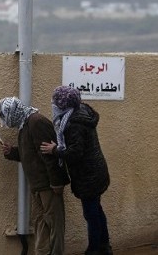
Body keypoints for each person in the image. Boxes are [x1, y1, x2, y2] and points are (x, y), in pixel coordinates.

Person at [40, 86, 112, 255]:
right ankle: (104, 246)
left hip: (89, 176)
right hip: (96, 172)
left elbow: (75, 153)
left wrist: (55, 150)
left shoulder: (73, 124)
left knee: (91, 214)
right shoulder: (81, 112)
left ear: (63, 105)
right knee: (96, 210)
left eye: (55, 101)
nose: (52, 104)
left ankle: (95, 249)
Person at [0, 97, 70, 255]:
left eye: (6, 116)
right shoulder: (25, 125)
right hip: (37, 185)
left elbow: (50, 156)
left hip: (48, 185)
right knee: (40, 222)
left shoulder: (36, 122)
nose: (6, 121)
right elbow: (30, 154)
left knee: (54, 224)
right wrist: (12, 152)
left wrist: (57, 183)